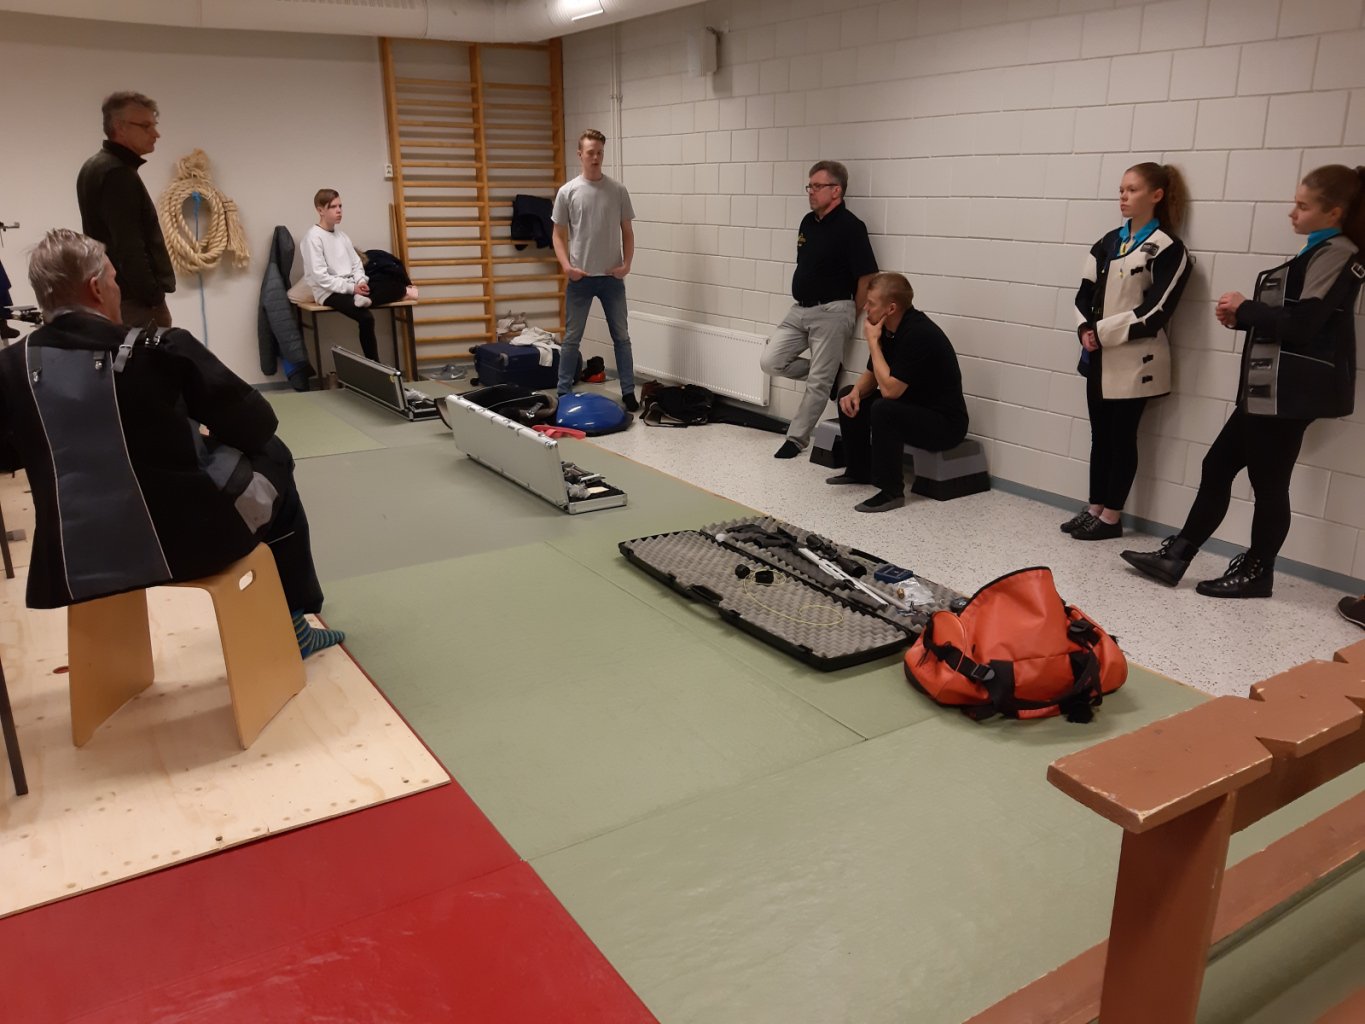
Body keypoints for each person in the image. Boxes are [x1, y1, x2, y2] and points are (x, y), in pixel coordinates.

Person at [0, 229, 341, 657]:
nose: (117, 288)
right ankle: (295, 624)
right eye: (114, 279)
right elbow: (257, 425)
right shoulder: (160, 349)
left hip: (73, 563)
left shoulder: (9, 369)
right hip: (191, 546)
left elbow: (8, 457)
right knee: (274, 455)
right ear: (96, 288)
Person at [1122, 165, 1365, 598]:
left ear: (1333, 212)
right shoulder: (1319, 249)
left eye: (1303, 205)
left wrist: (1246, 308)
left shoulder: (1338, 252)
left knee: (1269, 485)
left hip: (1290, 395)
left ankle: (1256, 572)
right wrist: (1244, 318)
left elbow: (1305, 324)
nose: (1292, 213)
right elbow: (1294, 318)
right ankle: (1177, 556)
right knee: (1218, 466)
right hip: (1271, 391)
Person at [1063, 164, 1192, 542]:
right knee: (1099, 436)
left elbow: (1156, 311)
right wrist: (1084, 330)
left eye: (1132, 190)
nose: (1123, 196)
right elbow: (1083, 294)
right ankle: (1094, 508)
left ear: (1156, 195)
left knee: (1122, 438)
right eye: (1121, 189)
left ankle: (1112, 517)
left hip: (1138, 361)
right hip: (1098, 356)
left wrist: (1102, 333)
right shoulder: (1106, 242)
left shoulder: (1169, 248)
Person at [762, 160, 879, 460]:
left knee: (817, 383)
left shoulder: (851, 227)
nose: (811, 192)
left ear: (836, 190)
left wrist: (850, 314)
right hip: (799, 310)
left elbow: (867, 277)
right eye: (809, 186)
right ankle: (828, 375)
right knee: (770, 361)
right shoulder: (807, 222)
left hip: (833, 310)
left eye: (817, 186)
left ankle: (796, 439)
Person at [827, 273, 968, 513]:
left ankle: (891, 492)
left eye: (871, 303)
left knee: (884, 408)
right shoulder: (888, 329)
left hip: (945, 424)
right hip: (913, 408)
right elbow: (873, 373)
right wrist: (856, 393)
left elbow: (890, 391)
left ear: (891, 308)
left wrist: (873, 343)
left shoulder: (918, 334)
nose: (865, 307)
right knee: (848, 393)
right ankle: (859, 471)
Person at [77, 91, 176, 329]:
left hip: (116, 296)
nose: (155, 134)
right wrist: (152, 297)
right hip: (134, 304)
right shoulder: (117, 174)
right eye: (146, 126)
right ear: (119, 127)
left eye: (154, 125)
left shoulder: (96, 166)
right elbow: (129, 246)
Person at [553, 129, 637, 409]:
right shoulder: (568, 192)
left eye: (600, 152)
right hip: (581, 278)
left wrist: (626, 265)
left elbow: (628, 231)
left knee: (622, 338)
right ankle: (563, 392)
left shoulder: (618, 190)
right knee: (572, 339)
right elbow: (557, 235)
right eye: (591, 153)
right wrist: (567, 267)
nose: (596, 157)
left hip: (611, 278)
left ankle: (628, 392)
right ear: (580, 155)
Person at [303, 189, 378, 362]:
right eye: (333, 207)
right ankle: (375, 366)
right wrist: (352, 289)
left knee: (392, 285)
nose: (338, 211)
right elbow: (320, 277)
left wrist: (360, 281)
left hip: (351, 286)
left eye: (340, 206)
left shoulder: (342, 236)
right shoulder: (313, 238)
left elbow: (356, 264)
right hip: (328, 292)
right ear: (320, 210)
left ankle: (362, 297)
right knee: (366, 318)